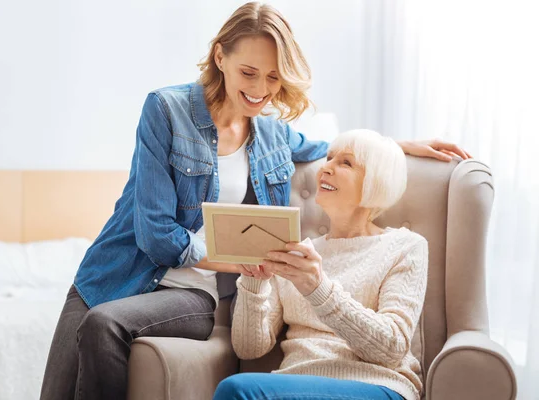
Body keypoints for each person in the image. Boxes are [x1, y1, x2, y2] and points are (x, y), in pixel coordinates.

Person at [40, 3, 468, 399]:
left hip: (195, 291)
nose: (261, 90)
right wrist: (239, 257)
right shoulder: (165, 110)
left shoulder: (272, 136)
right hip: (118, 272)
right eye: (249, 72)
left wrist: (396, 146)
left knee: (105, 325)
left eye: (273, 77)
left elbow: (324, 149)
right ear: (220, 57)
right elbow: (156, 238)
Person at [214, 129, 427, 400]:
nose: (326, 167)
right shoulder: (295, 251)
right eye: (329, 158)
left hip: (377, 385)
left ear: (376, 180)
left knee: (236, 391)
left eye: (346, 163)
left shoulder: (405, 246)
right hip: (295, 384)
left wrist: (318, 288)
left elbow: (392, 348)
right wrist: (254, 282)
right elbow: (249, 349)